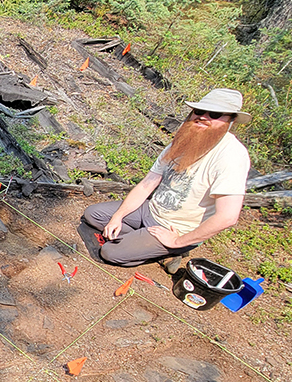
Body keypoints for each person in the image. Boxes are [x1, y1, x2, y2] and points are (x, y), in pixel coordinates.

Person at [80, 88, 252, 270]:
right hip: (151, 210)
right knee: (93, 215)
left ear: (231, 120)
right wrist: (118, 216)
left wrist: (177, 241)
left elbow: (227, 217)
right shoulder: (185, 139)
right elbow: (146, 185)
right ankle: (143, 242)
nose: (203, 117)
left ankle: (171, 251)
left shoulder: (232, 155)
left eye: (215, 114)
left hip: (177, 229)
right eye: (199, 111)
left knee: (111, 252)